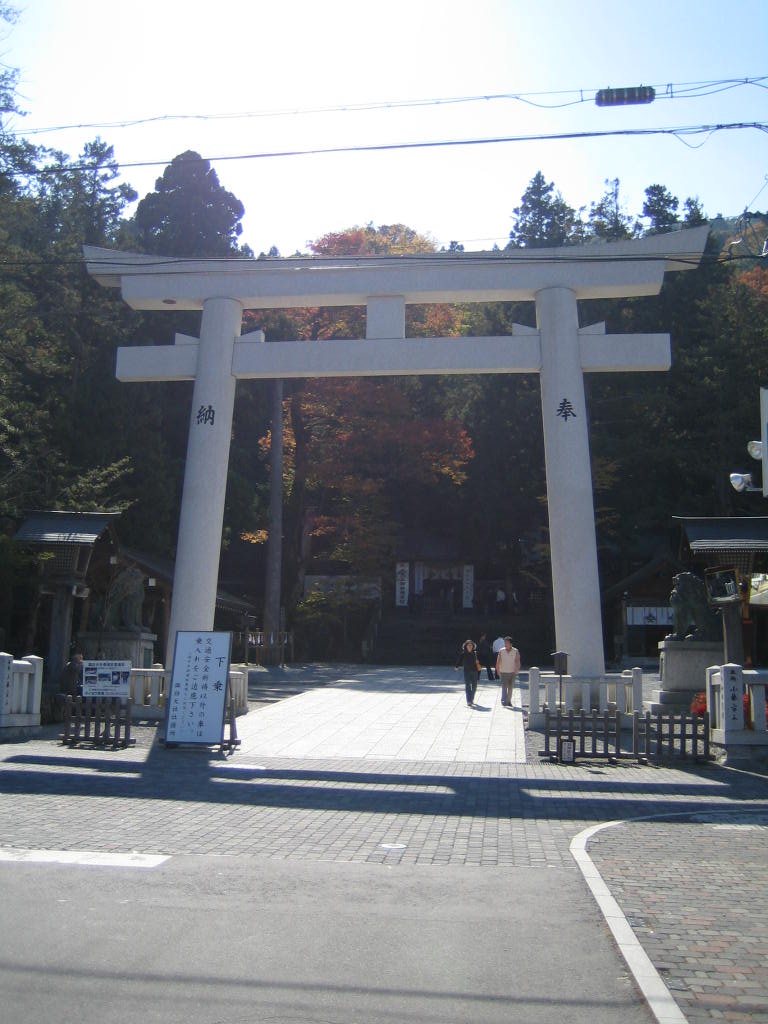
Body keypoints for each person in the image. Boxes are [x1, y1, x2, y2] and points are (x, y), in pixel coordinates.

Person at [454, 639, 481, 706]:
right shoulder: (463, 653)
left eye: (471, 645)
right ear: (465, 646)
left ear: (473, 646)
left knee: (474, 686)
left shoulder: (475, 653)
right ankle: (469, 700)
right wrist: (456, 666)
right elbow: (459, 660)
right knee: (468, 686)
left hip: (474, 671)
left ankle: (471, 698)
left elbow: (479, 660)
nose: (470, 646)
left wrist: (478, 662)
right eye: (468, 645)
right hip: (467, 671)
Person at [495, 636, 520, 707]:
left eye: (507, 642)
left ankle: (508, 701)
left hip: (512, 672)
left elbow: (517, 661)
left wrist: (517, 669)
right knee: (504, 687)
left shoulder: (515, 651)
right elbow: (498, 661)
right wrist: (498, 670)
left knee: (510, 688)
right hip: (503, 672)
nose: (505, 644)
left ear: (511, 643)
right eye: (505, 642)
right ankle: (504, 700)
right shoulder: (501, 651)